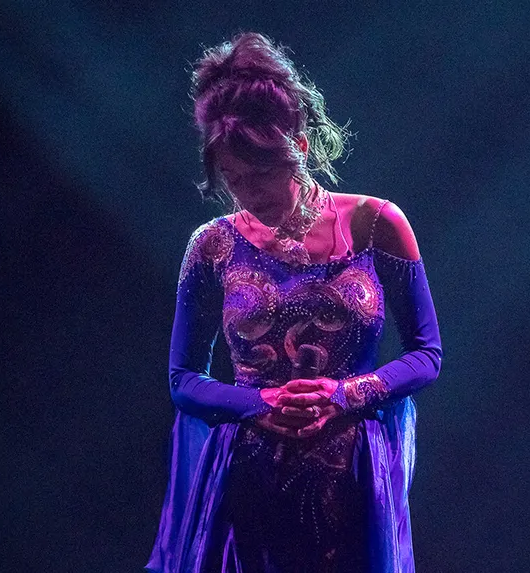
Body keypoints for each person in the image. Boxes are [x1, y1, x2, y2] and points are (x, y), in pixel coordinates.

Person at [146, 32, 442, 573]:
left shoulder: (377, 224)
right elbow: (182, 379)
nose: (248, 195)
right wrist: (260, 404)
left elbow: (428, 354)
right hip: (250, 478)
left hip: (351, 477)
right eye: (233, 181)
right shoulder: (211, 246)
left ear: (298, 149)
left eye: (261, 175)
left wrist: (345, 394)